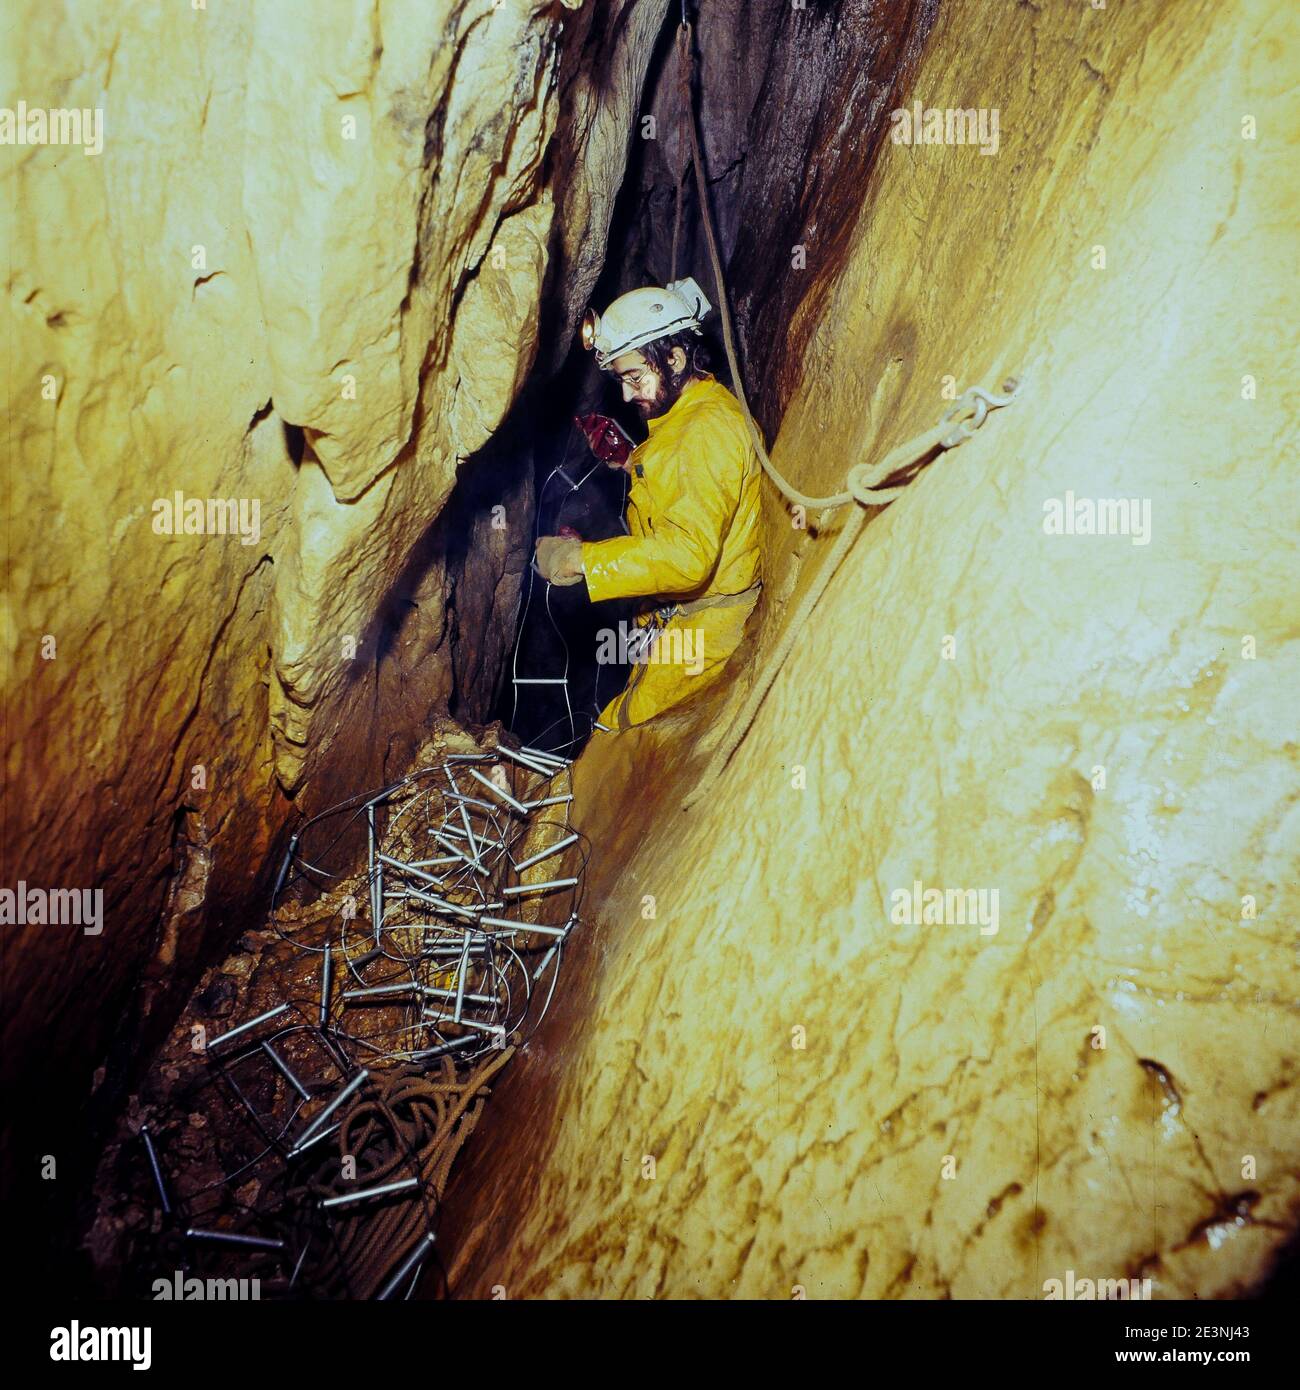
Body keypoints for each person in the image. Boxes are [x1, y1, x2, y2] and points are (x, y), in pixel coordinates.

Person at [534, 278, 762, 732]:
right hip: (679, 626)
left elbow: (686, 558)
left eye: (634, 377)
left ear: (674, 358)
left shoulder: (704, 430)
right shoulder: (690, 412)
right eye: (621, 380)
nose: (625, 395)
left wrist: (582, 561)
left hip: (704, 637)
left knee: (621, 737)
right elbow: (683, 482)